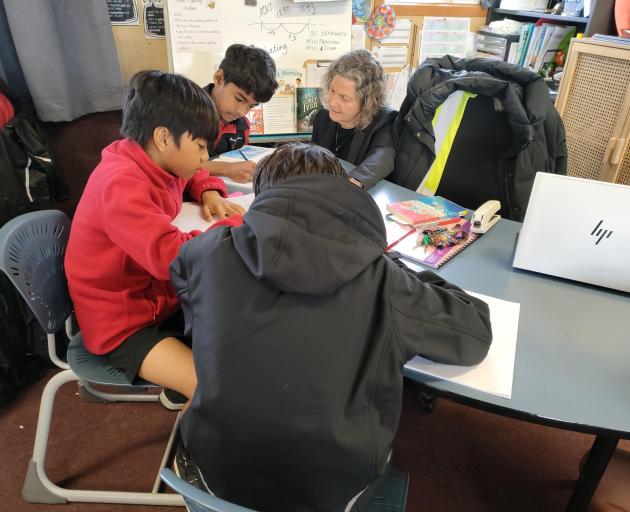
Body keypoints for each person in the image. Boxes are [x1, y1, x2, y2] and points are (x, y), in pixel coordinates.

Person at [170, 142, 493, 511]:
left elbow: (184, 287)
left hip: (211, 477)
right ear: (342, 195)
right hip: (331, 493)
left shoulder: (206, 251)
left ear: (262, 195)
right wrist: (394, 263)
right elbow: (474, 333)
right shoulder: (383, 279)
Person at [65, 70, 244, 409]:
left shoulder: (151, 158)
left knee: (241, 329)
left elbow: (194, 173)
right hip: (121, 324)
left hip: (156, 299)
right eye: (202, 146)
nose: (206, 157)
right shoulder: (122, 184)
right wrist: (234, 225)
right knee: (219, 391)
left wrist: (208, 191)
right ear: (163, 138)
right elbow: (172, 258)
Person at [311, 49, 397, 190]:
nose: (332, 102)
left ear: (367, 101)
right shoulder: (322, 119)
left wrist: (354, 181)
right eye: (332, 90)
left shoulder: (385, 121)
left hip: (357, 201)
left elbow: (383, 156)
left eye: (344, 98)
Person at [202, 44, 278, 184]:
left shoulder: (242, 126)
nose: (241, 111)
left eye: (252, 105)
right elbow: (173, 163)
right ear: (219, 78)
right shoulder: (185, 112)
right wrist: (226, 169)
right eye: (239, 99)